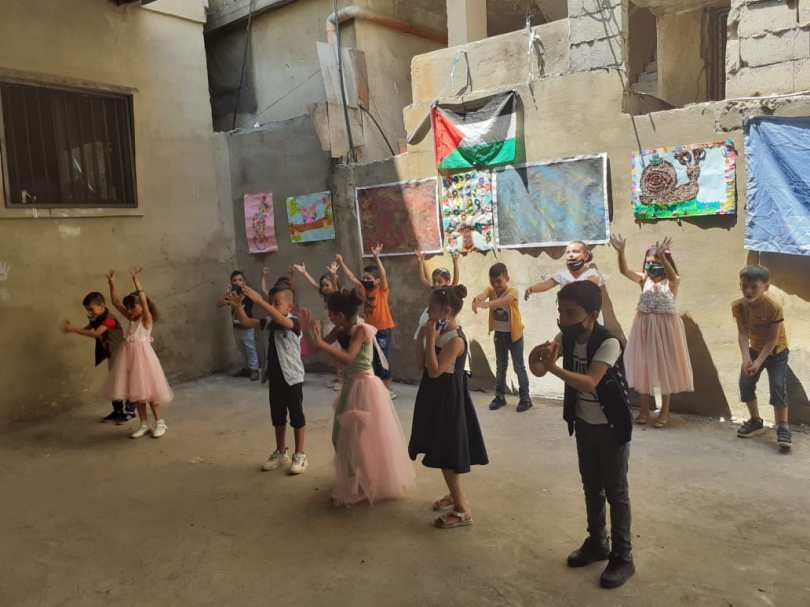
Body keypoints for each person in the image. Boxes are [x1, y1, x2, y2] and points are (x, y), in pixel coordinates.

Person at [529, 280, 635, 589]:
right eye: (560, 312)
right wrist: (539, 356)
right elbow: (538, 370)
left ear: (592, 315)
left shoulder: (609, 342)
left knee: (616, 492)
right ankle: (597, 542)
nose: (564, 319)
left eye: (571, 313)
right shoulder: (566, 337)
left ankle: (623, 556)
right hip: (584, 423)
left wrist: (552, 368)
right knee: (591, 486)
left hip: (611, 426)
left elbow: (590, 382)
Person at [300, 290, 414, 505]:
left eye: (331, 314)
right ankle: (354, 478)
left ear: (340, 315)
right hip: (350, 384)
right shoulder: (340, 329)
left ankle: (364, 482)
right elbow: (315, 348)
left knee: (362, 438)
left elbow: (348, 357)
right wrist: (307, 331)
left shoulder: (361, 330)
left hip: (364, 386)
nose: (329, 317)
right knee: (341, 436)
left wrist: (321, 343)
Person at [410, 285, 488, 529]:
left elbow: (435, 371)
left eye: (431, 307)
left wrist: (431, 338)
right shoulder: (437, 330)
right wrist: (422, 337)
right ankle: (455, 496)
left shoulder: (455, 340)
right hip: (433, 396)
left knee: (446, 453)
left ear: (446, 310)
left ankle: (463, 510)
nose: (427, 311)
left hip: (447, 399)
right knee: (440, 447)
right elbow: (421, 365)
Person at [610, 235, 693, 428]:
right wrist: (621, 252)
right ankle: (644, 410)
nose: (651, 265)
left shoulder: (672, 281)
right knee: (644, 367)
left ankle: (665, 412)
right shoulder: (644, 279)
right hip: (644, 328)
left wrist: (662, 256)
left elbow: (672, 276)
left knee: (666, 368)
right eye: (648, 262)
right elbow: (624, 271)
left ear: (665, 263)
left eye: (656, 262)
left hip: (666, 330)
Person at [228, 281, 309, 473]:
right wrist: (238, 306)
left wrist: (259, 301)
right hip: (275, 378)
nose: (272, 306)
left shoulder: (294, 322)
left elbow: (282, 321)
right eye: (270, 302)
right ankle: (281, 452)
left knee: (296, 417)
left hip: (292, 378)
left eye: (276, 303)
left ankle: (300, 455)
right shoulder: (270, 322)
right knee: (278, 417)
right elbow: (247, 322)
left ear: (290, 307)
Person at [103, 268, 172, 439]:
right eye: (128, 308)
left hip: (145, 360)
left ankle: (160, 423)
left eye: (133, 307)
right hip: (130, 359)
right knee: (137, 394)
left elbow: (143, 299)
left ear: (142, 305)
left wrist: (135, 280)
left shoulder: (146, 319)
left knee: (151, 394)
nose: (129, 310)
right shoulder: (131, 319)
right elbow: (115, 302)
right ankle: (143, 424)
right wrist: (111, 283)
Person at [732, 265, 792, 451]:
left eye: (754, 287)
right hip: (754, 350)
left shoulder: (774, 307)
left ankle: (782, 426)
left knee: (778, 386)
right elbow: (743, 333)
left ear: (765, 287)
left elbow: (772, 340)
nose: (748, 291)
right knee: (745, 383)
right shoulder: (739, 306)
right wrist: (746, 358)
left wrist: (758, 362)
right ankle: (755, 420)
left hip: (777, 352)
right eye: (744, 286)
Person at [63, 291, 134, 424]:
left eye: (91, 309)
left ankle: (130, 411)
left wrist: (73, 329)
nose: (90, 312)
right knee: (115, 382)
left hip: (121, 354)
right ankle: (118, 411)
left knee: (123, 382)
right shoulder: (98, 318)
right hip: (112, 353)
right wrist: (73, 329)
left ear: (102, 306)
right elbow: (89, 328)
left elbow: (96, 333)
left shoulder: (110, 319)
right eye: (87, 310)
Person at [472, 263, 533, 412]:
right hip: (499, 335)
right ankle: (499, 397)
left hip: (515, 335)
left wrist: (486, 305)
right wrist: (476, 301)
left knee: (519, 367)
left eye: (499, 281)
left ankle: (525, 398)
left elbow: (503, 301)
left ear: (507, 279)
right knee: (501, 366)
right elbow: (482, 296)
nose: (496, 285)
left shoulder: (513, 292)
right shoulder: (490, 290)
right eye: (492, 281)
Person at [337, 246, 397, 398]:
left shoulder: (382, 290)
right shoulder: (363, 291)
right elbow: (351, 277)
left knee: (382, 360)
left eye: (368, 278)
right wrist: (342, 263)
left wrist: (376, 257)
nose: (365, 280)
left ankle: (387, 390)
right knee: (372, 360)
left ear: (377, 281)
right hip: (370, 331)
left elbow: (383, 274)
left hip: (383, 329)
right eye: (363, 278)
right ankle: (378, 390)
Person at [291, 261, 343, 390]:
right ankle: (339, 377)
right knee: (333, 356)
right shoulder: (326, 296)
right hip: (328, 327)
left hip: (334, 328)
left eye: (327, 285)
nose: (324, 287)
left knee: (338, 354)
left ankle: (341, 380)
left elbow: (335, 287)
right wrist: (305, 273)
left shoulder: (337, 295)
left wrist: (333, 275)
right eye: (323, 285)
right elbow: (314, 284)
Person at [217, 270, 260, 381]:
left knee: (250, 348)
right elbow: (219, 304)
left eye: (240, 280)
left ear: (244, 282)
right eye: (234, 280)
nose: (237, 282)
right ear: (231, 282)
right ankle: (246, 368)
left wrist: (245, 291)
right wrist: (226, 296)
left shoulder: (248, 294)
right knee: (241, 349)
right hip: (236, 326)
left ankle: (254, 369)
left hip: (248, 326)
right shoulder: (232, 295)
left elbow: (258, 298)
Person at [524, 241, 602, 300]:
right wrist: (531, 289)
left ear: (586, 256)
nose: (571, 255)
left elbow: (591, 290)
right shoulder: (562, 275)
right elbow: (546, 285)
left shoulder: (591, 274)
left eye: (576, 252)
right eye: (568, 252)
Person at [413, 250, 459, 340]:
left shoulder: (448, 291)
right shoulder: (433, 289)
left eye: (439, 281)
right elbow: (423, 279)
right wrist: (421, 262)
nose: (436, 284)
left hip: (442, 318)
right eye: (434, 281)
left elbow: (455, 281)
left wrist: (455, 262)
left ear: (447, 281)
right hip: (433, 317)